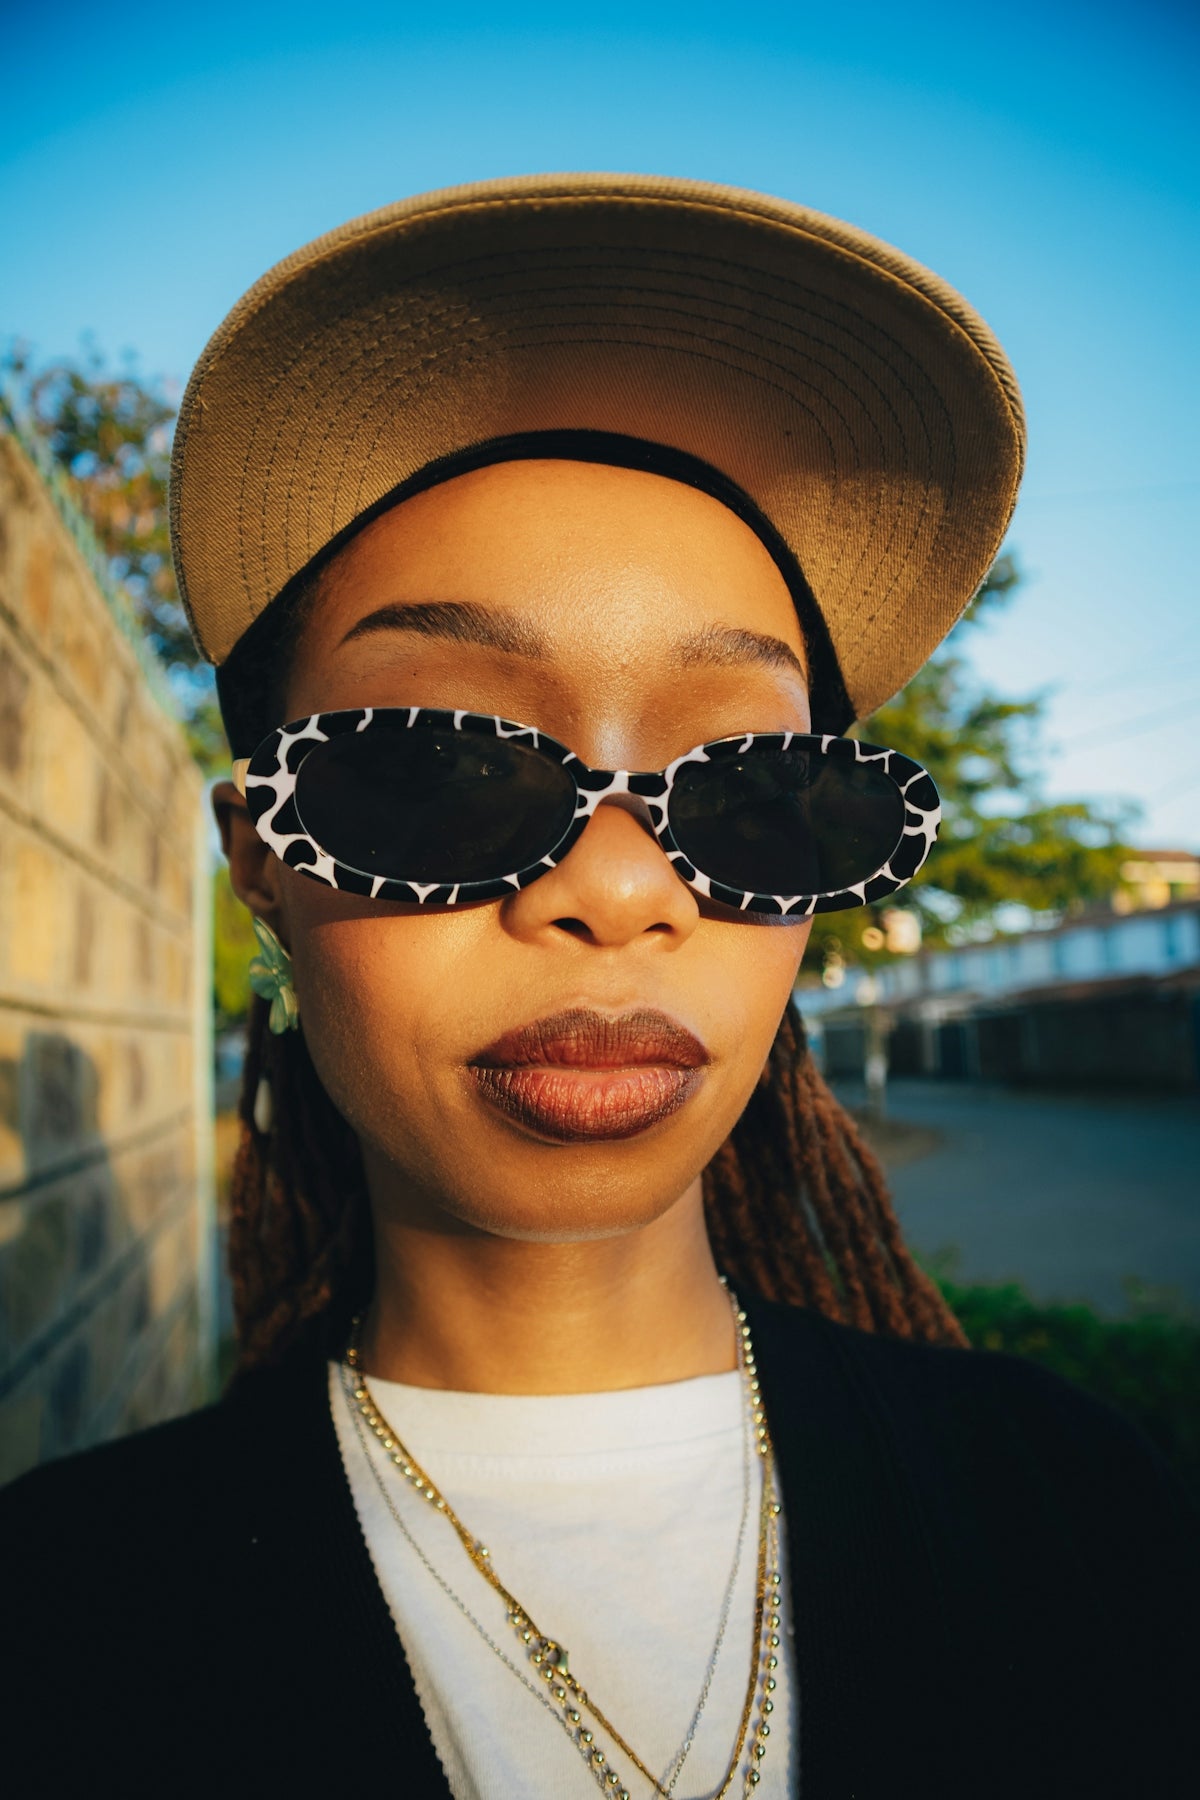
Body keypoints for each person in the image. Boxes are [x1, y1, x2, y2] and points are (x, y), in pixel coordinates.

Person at [2, 175, 1193, 1799]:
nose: (623, 890)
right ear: (261, 857)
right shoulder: (61, 1621)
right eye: (431, 771)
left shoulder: (1079, 1505)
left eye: (751, 794)